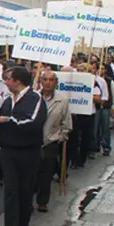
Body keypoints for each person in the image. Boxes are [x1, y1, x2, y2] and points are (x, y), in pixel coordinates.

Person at [0, 66, 47, 226]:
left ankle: (23, 223)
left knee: (25, 188)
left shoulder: (35, 98)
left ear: (18, 81)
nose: (5, 83)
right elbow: (0, 124)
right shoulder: (7, 101)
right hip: (9, 150)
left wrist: (10, 120)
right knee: (11, 190)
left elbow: (34, 123)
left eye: (8, 79)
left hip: (28, 151)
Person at [34, 71, 72, 213]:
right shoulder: (33, 98)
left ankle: (42, 201)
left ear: (56, 83)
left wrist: (59, 137)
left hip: (50, 142)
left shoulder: (62, 101)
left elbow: (66, 124)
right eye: (45, 79)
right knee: (32, 173)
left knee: (46, 173)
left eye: (51, 80)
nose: (48, 82)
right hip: (32, 142)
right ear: (41, 81)